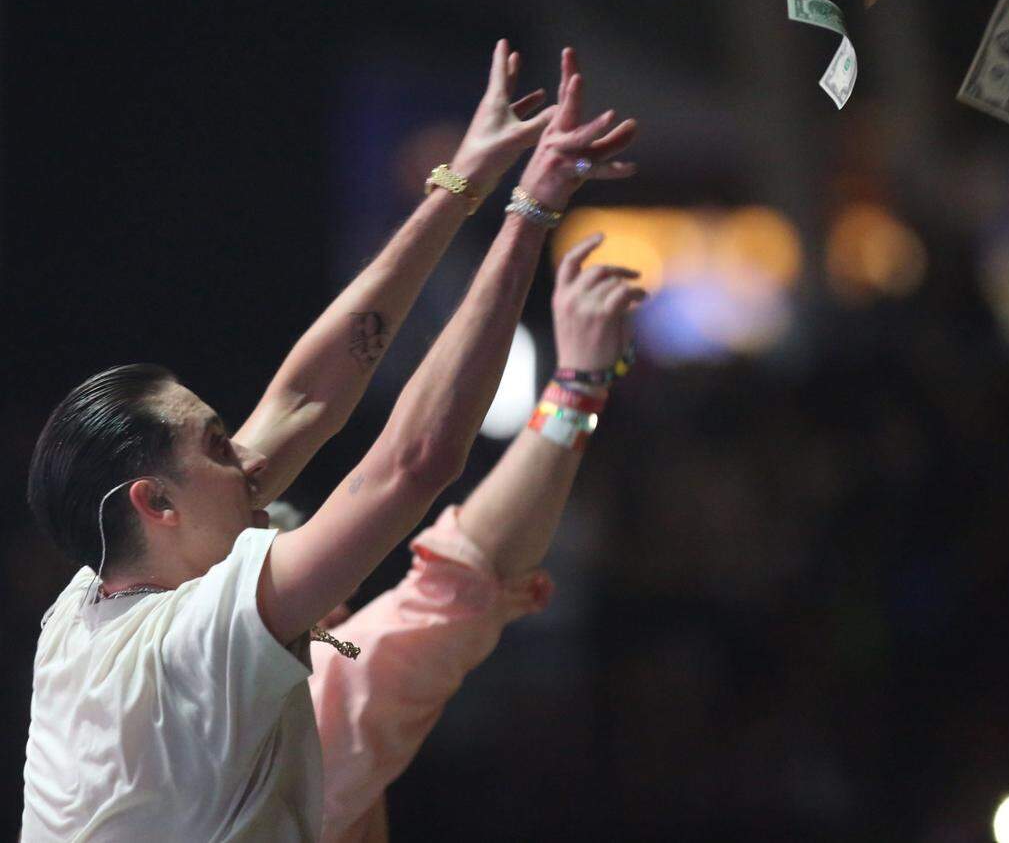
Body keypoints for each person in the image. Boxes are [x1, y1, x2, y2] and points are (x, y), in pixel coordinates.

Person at [21, 43, 637, 842]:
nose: (248, 458)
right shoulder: (202, 645)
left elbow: (304, 399)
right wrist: (531, 214)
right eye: (218, 446)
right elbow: (417, 465)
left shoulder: (83, 607)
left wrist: (463, 184)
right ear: (156, 501)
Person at [298, 232, 645, 843]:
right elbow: (460, 571)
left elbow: (287, 407)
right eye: (264, 539)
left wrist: (468, 197)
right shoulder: (295, 704)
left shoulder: (84, 655)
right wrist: (579, 384)